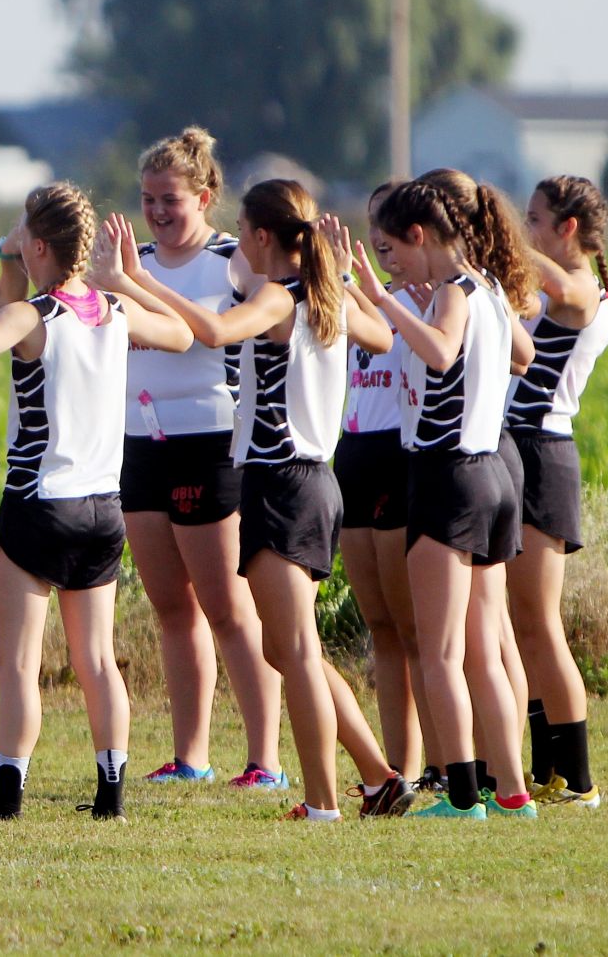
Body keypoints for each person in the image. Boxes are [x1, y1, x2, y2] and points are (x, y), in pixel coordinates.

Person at [0, 182, 193, 822]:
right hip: (102, 508)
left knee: (19, 665)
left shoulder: (33, 316)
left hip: (39, 505)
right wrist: (129, 279)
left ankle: (8, 797)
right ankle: (110, 793)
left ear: (36, 246)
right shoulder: (113, 310)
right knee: (96, 660)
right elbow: (181, 336)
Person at [123, 182, 411, 820]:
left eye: (243, 229)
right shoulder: (322, 292)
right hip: (308, 483)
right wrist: (342, 274)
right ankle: (378, 776)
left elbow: (216, 330)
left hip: (283, 482)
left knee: (297, 651)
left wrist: (133, 280)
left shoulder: (280, 296)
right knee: (286, 648)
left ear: (259, 236)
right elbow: (384, 340)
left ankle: (322, 804)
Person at [122, 128, 285, 789]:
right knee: (171, 608)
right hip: (140, 444)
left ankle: (265, 758)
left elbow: (208, 338)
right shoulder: (134, 262)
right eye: (147, 200)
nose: (157, 212)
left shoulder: (229, 262)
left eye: (170, 199)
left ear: (206, 196)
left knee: (227, 608)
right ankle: (190, 755)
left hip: (212, 445)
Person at [366, 179, 532, 820]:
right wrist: (414, 303)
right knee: (483, 650)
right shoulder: (488, 286)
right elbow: (523, 354)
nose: (391, 266)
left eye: (394, 250)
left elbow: (439, 354)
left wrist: (387, 302)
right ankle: (514, 793)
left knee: (439, 653)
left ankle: (463, 797)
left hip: (447, 477)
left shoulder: (456, 292)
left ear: (420, 236)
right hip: (492, 475)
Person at [509, 175, 608, 808]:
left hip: (543, 453)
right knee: (521, 626)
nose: (527, 230)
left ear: (567, 228)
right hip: (519, 449)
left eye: (535, 220)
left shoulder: (582, 290)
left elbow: (559, 286)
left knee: (540, 623)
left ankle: (577, 779)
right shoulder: (560, 280)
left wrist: (493, 237)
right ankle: (544, 768)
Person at [335, 182, 430, 782]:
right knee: (380, 628)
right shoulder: (368, 299)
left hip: (401, 457)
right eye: (371, 229)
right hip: (353, 456)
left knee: (415, 628)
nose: (376, 242)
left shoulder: (431, 301)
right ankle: (400, 766)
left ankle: (449, 764)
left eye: (387, 232)